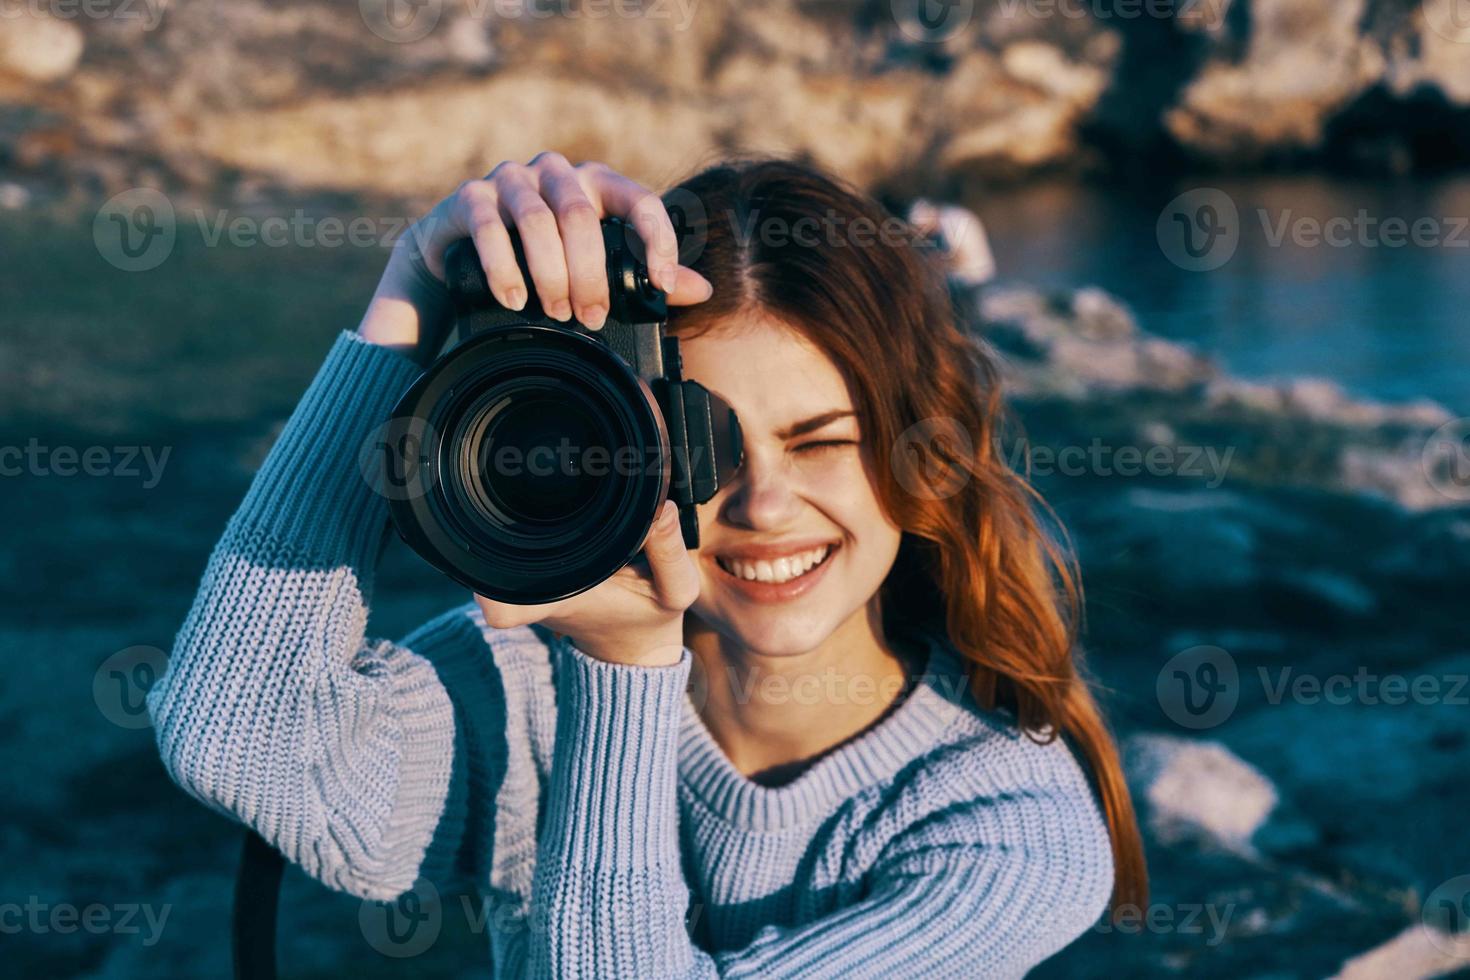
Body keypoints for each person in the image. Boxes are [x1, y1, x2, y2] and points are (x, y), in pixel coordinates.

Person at [148, 152, 1146, 978]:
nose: (762, 503)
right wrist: (411, 294)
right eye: (703, 444)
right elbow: (238, 732)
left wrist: (625, 670)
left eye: (822, 441)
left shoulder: (1010, 821)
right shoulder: (526, 685)